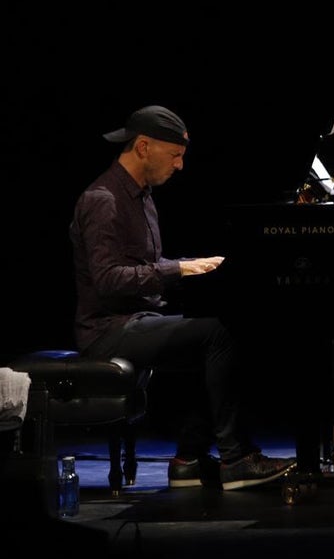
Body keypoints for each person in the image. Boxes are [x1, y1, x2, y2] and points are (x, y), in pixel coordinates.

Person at [70, 105, 297, 490]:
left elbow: (145, 265)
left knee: (227, 332)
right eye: (175, 155)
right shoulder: (104, 199)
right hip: (107, 330)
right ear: (143, 147)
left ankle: (189, 459)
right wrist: (180, 270)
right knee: (218, 335)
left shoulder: (140, 196)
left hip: (137, 319)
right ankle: (235, 459)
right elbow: (108, 280)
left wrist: (194, 264)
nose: (180, 166)